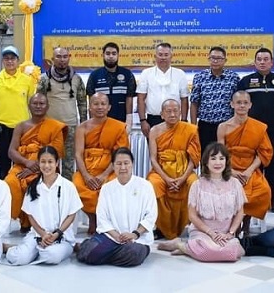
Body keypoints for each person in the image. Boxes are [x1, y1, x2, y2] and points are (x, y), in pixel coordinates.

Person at [158, 142, 246, 262]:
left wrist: (230, 233)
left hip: (225, 233)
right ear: (206, 162)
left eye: (221, 158)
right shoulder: (197, 185)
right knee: (207, 251)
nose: (218, 162)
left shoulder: (235, 183)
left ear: (226, 162)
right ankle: (184, 245)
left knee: (235, 253)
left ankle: (185, 248)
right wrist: (210, 233)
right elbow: (192, 216)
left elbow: (240, 213)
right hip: (203, 232)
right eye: (213, 158)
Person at [77, 147, 158, 267]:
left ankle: (102, 253)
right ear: (113, 166)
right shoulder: (107, 188)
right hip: (111, 237)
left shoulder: (145, 186)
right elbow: (102, 217)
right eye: (119, 164)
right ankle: (100, 251)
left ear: (132, 164)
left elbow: (151, 216)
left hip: (137, 239)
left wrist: (134, 234)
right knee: (90, 254)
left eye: (126, 163)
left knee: (134, 253)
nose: (123, 167)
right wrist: (116, 235)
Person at [2, 146, 82, 266]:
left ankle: (37, 251)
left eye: (50, 162)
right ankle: (12, 249)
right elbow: (30, 215)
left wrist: (57, 234)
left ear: (57, 163)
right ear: (38, 163)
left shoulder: (68, 186)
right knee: (18, 258)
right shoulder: (33, 187)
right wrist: (43, 234)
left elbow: (72, 214)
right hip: (37, 236)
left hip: (62, 237)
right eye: (43, 162)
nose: (46, 166)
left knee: (52, 256)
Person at [4, 93, 68, 231]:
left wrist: (36, 167)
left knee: (37, 183)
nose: (38, 106)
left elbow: (56, 152)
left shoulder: (55, 126)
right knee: (10, 182)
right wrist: (27, 163)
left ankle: (36, 222)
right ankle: (23, 220)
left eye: (41, 103)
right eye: (35, 103)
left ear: (47, 106)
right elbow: (11, 151)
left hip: (47, 167)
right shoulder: (21, 126)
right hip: (22, 165)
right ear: (29, 106)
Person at [237, 48, 274, 211]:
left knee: (272, 168)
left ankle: (272, 201)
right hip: (252, 133)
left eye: (266, 59)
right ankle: (254, 201)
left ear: (271, 62)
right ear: (255, 62)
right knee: (254, 168)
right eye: (259, 59)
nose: (262, 62)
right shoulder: (245, 82)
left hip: (273, 132)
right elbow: (239, 105)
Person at [73, 93, 130, 235]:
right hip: (87, 169)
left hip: (110, 169)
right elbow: (78, 154)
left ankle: (104, 221)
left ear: (109, 107)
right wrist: (86, 176)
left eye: (103, 104)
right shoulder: (82, 128)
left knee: (110, 187)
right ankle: (93, 219)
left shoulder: (118, 127)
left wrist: (104, 175)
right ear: (90, 107)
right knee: (78, 184)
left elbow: (120, 155)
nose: (100, 107)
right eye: (96, 104)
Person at [218, 91, 274, 235]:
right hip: (229, 168)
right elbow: (220, 153)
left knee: (263, 191)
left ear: (250, 105)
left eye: (245, 103)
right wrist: (230, 171)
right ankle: (234, 224)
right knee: (229, 192)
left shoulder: (258, 127)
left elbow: (264, 152)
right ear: (232, 104)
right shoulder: (223, 127)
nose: (242, 106)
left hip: (250, 168)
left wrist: (249, 171)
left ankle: (246, 222)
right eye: (238, 103)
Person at [147, 99, 201, 240]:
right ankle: (161, 227)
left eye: (175, 111)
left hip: (184, 171)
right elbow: (153, 159)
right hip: (161, 171)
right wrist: (167, 179)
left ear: (181, 112)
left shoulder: (190, 130)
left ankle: (191, 224)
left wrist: (183, 178)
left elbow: (193, 158)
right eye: (168, 111)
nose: (172, 114)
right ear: (162, 114)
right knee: (153, 184)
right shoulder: (154, 131)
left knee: (194, 183)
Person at [0, 45, 36, 179]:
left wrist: (34, 126)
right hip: (2, 127)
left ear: (18, 61)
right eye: (6, 58)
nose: (10, 61)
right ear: (3, 61)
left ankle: (21, 187)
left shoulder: (27, 80)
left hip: (23, 128)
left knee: (23, 161)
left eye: (12, 58)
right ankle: (4, 187)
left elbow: (32, 105)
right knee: (4, 163)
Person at [37, 46, 87, 178]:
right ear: (52, 59)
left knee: (69, 163)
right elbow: (38, 103)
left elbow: (82, 103)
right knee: (49, 160)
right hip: (50, 128)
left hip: (70, 127)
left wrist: (84, 125)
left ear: (69, 58)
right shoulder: (44, 79)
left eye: (65, 57)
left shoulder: (77, 79)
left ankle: (66, 188)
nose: (62, 60)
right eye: (58, 57)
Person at [190, 46, 239, 148]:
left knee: (226, 154)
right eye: (212, 58)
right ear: (209, 59)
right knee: (205, 154)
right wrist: (193, 127)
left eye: (219, 58)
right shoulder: (199, 77)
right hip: (205, 126)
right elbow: (194, 103)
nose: (215, 61)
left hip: (227, 125)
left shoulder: (233, 77)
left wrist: (236, 124)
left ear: (225, 60)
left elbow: (237, 103)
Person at [136, 42, 190, 135]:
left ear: (171, 56)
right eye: (160, 55)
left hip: (174, 119)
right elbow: (140, 99)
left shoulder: (180, 74)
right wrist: (142, 120)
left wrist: (184, 120)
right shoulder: (146, 73)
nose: (163, 57)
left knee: (176, 145)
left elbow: (184, 99)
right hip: (153, 119)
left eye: (166, 55)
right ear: (155, 56)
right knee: (153, 144)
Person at [85, 42, 137, 128]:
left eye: (114, 53)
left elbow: (129, 98)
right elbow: (91, 100)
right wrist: (92, 121)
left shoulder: (127, 74)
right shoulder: (94, 75)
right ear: (103, 55)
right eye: (108, 53)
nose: (111, 56)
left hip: (121, 120)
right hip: (100, 121)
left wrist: (129, 119)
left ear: (118, 55)